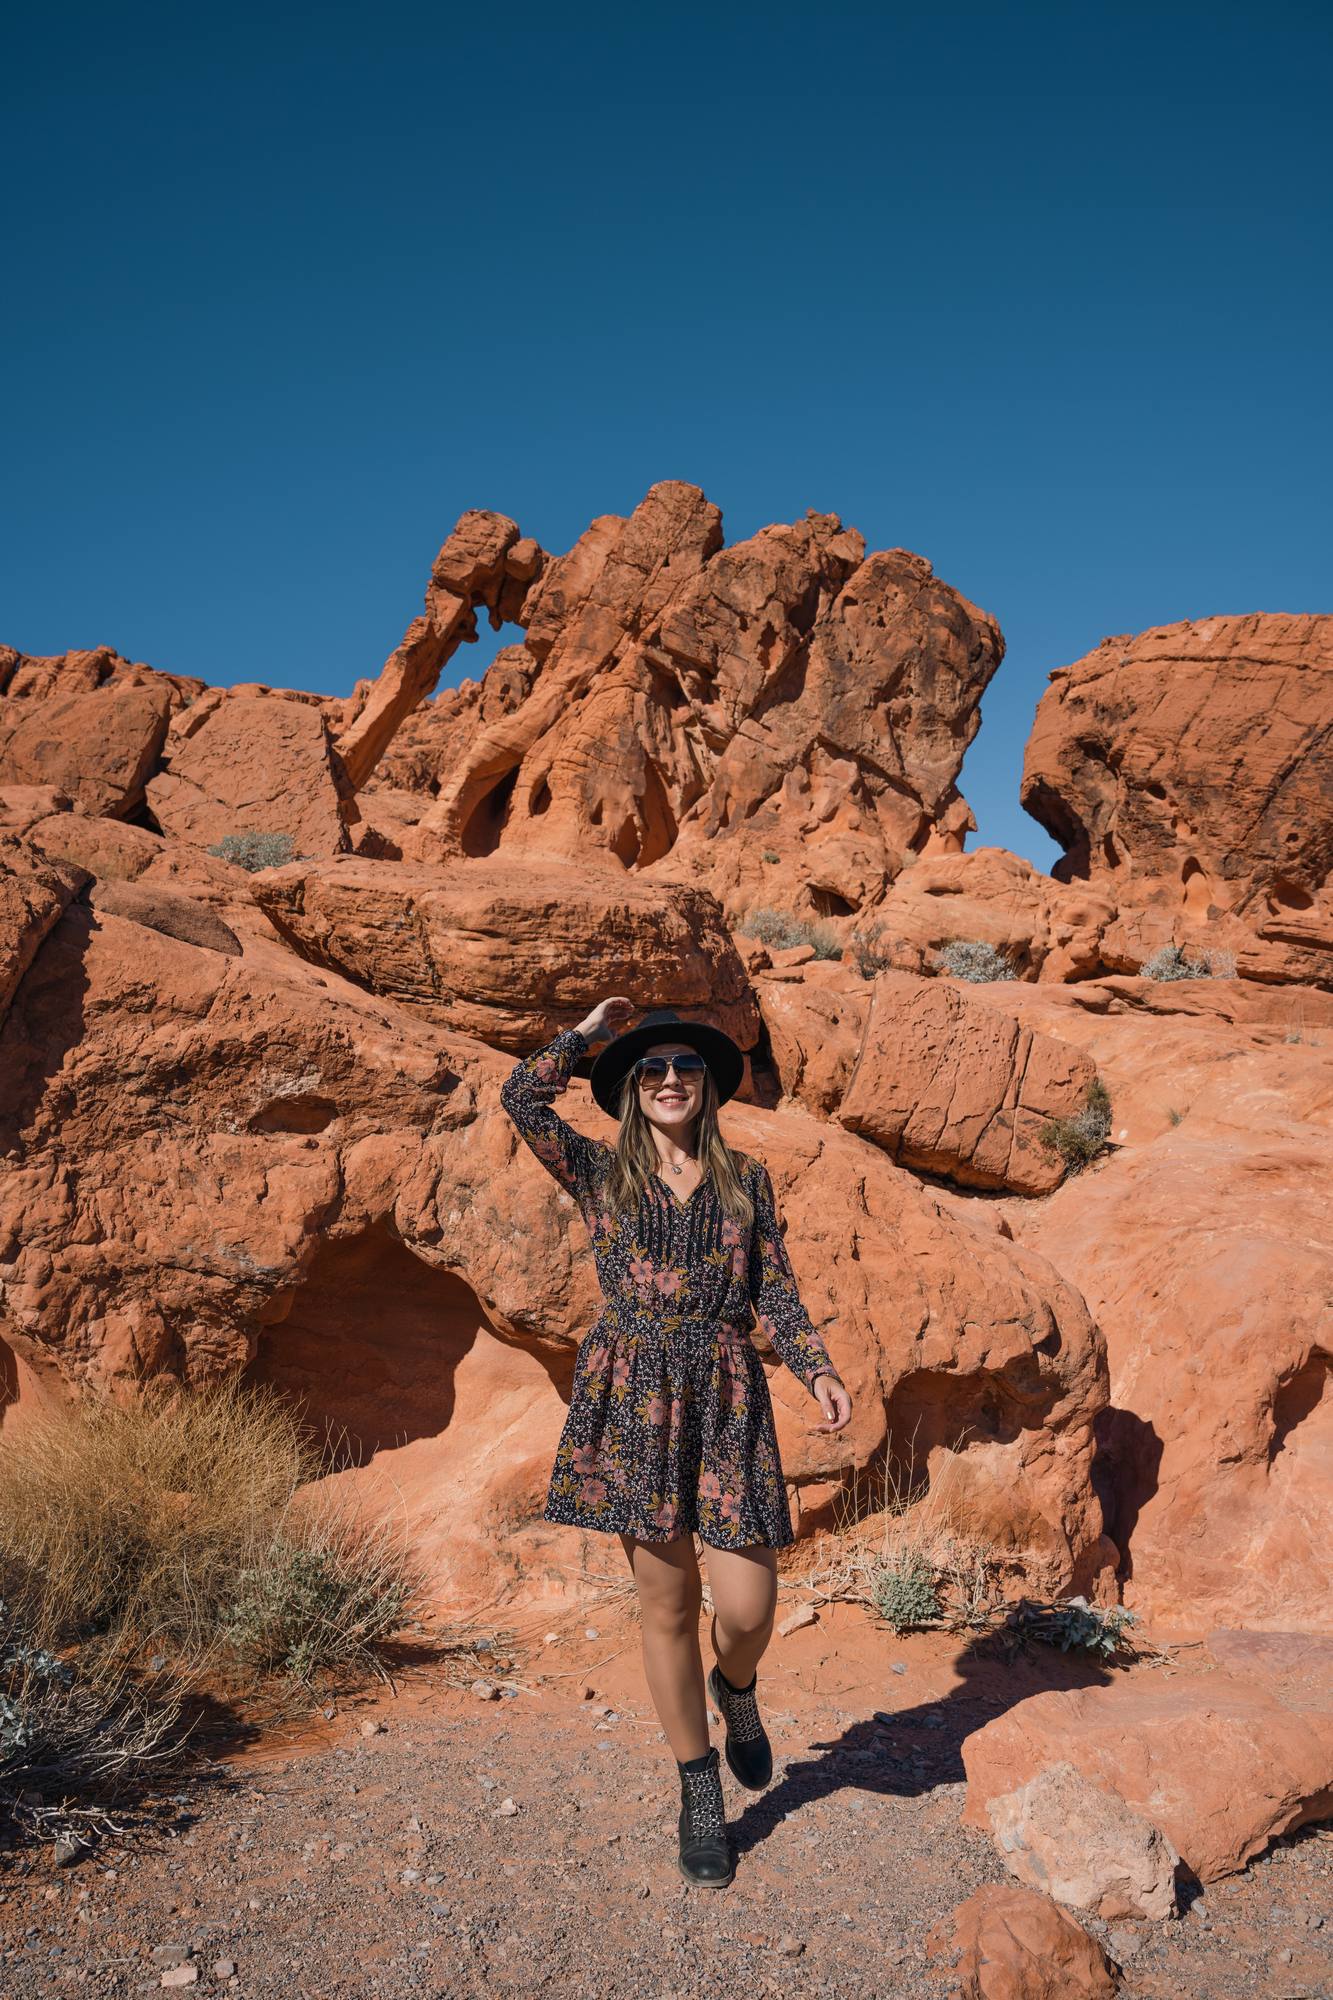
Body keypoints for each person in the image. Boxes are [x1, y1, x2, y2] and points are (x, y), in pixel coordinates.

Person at [499, 997, 853, 1887]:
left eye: (683, 1070)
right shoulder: (595, 1172)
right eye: (650, 1071)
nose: (667, 1081)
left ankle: (737, 1692)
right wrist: (583, 1035)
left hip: (729, 1393)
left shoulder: (747, 1182)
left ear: (706, 1086)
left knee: (747, 1607)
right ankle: (698, 1787)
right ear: (628, 1091)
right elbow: (520, 1099)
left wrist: (815, 1367)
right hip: (636, 1393)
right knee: (664, 1606)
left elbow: (775, 1288)